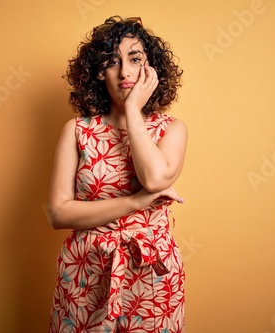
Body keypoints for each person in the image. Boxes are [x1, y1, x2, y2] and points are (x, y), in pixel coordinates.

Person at [47, 15, 187, 333]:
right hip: (86, 270)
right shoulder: (76, 131)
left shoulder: (172, 130)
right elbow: (58, 213)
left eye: (135, 59)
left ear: (151, 69)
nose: (124, 72)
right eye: (112, 62)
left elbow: (153, 178)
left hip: (153, 271)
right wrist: (137, 202)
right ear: (99, 73)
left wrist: (134, 110)